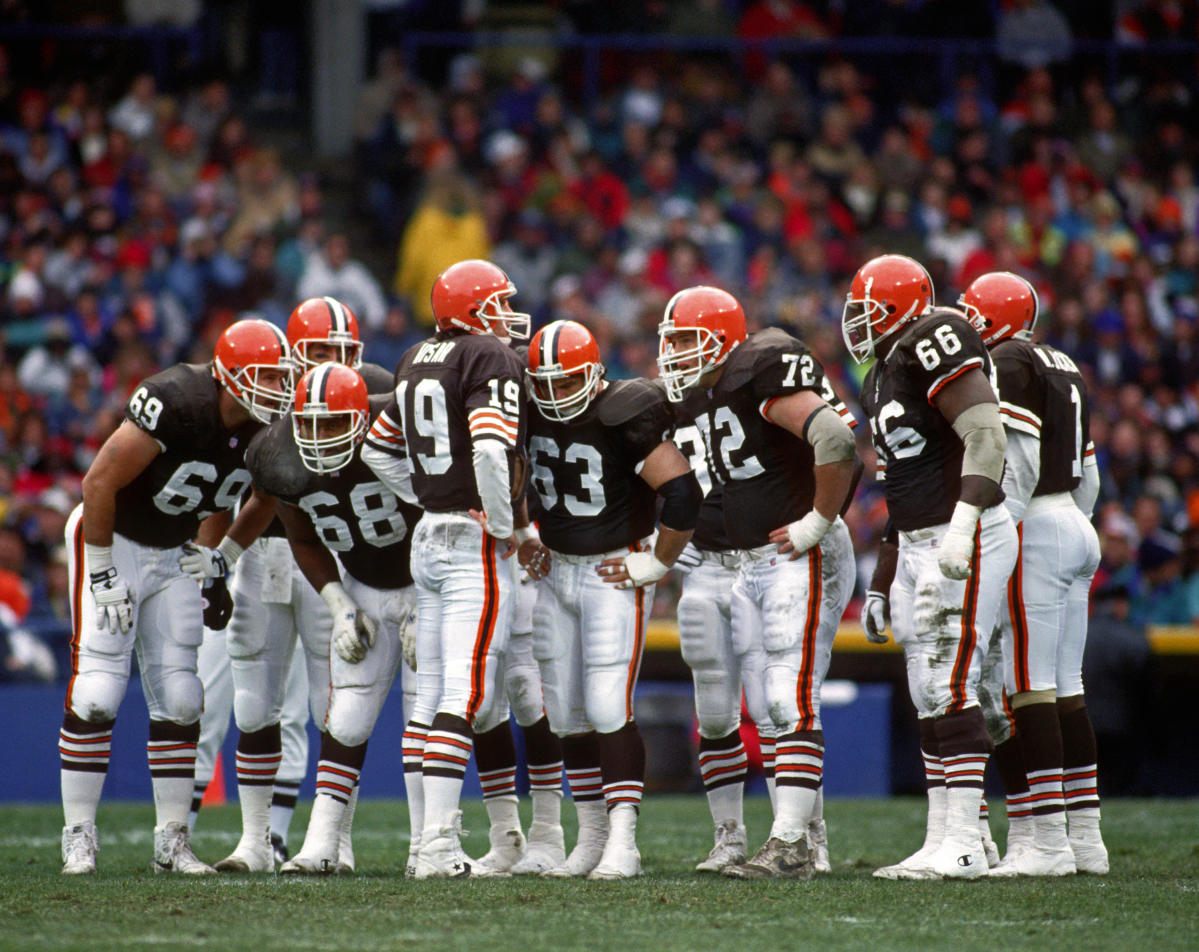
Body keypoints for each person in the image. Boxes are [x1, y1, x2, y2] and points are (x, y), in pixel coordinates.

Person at [58, 319, 293, 875]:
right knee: (97, 691)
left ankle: (172, 842)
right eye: (263, 377)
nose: (275, 390)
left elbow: (264, 498)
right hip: (109, 539)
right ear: (228, 376)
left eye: (281, 378)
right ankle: (78, 836)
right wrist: (100, 568)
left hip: (172, 553)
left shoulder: (268, 431)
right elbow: (97, 484)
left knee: (184, 698)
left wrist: (222, 560)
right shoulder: (177, 400)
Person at [181, 298, 396, 873]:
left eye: (343, 353)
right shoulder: (261, 397)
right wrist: (220, 557)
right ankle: (256, 842)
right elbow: (241, 496)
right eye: (319, 352)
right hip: (266, 556)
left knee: (337, 706)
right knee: (254, 704)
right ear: (292, 355)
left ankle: (333, 839)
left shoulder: (374, 393)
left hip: (338, 559)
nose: (332, 364)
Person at [657, 286, 857, 880]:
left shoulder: (761, 366)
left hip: (795, 550)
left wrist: (818, 519)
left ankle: (792, 845)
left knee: (784, 697)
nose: (674, 354)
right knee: (764, 698)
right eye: (670, 342)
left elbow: (839, 441)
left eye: (687, 340)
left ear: (724, 336)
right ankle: (801, 842)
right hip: (749, 561)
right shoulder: (697, 397)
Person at [850, 254, 1018, 881]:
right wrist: (882, 576)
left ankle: (967, 845)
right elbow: (902, 485)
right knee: (929, 691)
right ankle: (949, 834)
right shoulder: (882, 372)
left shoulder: (933, 335)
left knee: (951, 683)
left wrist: (964, 526)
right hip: (919, 539)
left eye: (867, 309)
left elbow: (985, 434)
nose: (856, 323)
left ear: (899, 307)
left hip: (962, 532)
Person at [362, 258, 529, 878]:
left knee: (431, 693)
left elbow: (378, 449)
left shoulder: (413, 357)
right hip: (470, 541)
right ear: (474, 309)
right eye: (500, 303)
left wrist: (427, 496)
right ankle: (437, 844)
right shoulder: (487, 355)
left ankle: (423, 845)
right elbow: (489, 448)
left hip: (428, 538)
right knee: (465, 691)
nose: (509, 317)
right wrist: (503, 521)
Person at [524, 318, 702, 879]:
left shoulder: (621, 412)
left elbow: (681, 491)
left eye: (566, 380)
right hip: (554, 572)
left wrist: (655, 560)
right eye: (544, 383)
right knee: (568, 714)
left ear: (595, 373)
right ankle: (591, 836)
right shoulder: (525, 411)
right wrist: (523, 532)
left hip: (609, 574)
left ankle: (623, 839)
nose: (554, 394)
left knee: (607, 706)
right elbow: (501, 472)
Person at [959, 271, 1107, 875]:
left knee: (1026, 688)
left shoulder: (1011, 360)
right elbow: (1090, 473)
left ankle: (1045, 842)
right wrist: (1073, 520)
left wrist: (996, 534)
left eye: (971, 314)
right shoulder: (1062, 362)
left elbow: (1013, 463)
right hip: (1074, 519)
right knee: (1066, 688)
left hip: (1034, 526)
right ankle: (1085, 839)